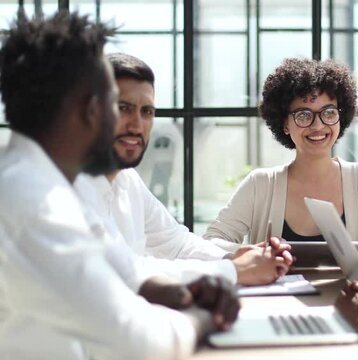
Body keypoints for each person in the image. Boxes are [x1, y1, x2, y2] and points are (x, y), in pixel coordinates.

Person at [0, 12, 238, 359]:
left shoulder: (55, 181)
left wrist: (190, 290)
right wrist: (204, 317)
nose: (130, 123)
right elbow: (144, 342)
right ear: (90, 110)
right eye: (116, 104)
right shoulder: (33, 204)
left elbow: (127, 271)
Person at [75, 52, 292, 286]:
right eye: (123, 108)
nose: (137, 124)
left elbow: (175, 242)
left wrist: (231, 257)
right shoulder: (72, 189)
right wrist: (235, 270)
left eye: (146, 111)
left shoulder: (128, 180)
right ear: (92, 112)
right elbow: (125, 271)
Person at [203, 57, 358, 251]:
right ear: (285, 124)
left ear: (341, 116)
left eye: (328, 113)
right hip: (276, 301)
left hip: (351, 299)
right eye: (303, 115)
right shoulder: (260, 184)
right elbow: (211, 242)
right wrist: (252, 253)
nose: (318, 126)